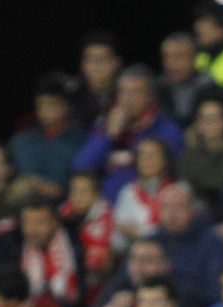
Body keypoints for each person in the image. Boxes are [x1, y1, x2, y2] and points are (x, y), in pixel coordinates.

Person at [73, 65, 184, 203]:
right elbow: (81, 166)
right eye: (122, 92)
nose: (127, 99)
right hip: (106, 211)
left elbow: (170, 175)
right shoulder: (106, 125)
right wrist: (109, 136)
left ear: (150, 96)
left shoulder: (167, 131)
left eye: (135, 92)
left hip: (148, 210)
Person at [153, 181, 223, 307]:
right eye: (166, 207)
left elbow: (216, 291)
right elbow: (122, 280)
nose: (171, 214)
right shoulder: (151, 241)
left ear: (191, 210)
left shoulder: (210, 241)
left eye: (179, 207)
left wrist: (171, 276)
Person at [10, 74, 84, 200]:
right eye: (42, 105)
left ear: (66, 106)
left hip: (68, 205)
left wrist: (54, 188)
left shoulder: (81, 140)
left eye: (53, 104)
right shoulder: (21, 141)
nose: (47, 109)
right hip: (25, 206)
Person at [177, 91, 223, 209]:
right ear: (197, 123)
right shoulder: (188, 155)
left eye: (215, 118)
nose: (209, 124)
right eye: (204, 118)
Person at [109, 138, 173, 253]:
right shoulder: (127, 193)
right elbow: (117, 240)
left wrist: (137, 232)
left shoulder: (177, 192)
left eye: (152, 155)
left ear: (165, 159)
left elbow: (174, 233)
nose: (147, 160)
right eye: (142, 156)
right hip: (135, 257)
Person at [157, 31, 213, 127]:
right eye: (167, 56)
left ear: (194, 58)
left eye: (178, 56)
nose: (171, 63)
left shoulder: (210, 90)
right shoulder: (157, 89)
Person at [67, 32, 121, 129]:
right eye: (91, 59)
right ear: (83, 65)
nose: (96, 64)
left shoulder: (127, 95)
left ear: (116, 63)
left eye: (103, 58)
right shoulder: (71, 98)